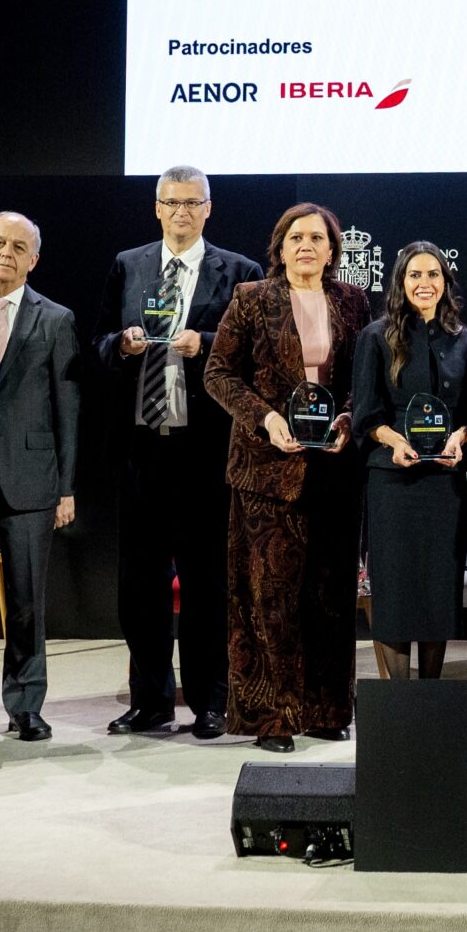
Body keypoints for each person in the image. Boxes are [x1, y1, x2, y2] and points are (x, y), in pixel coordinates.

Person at [98, 166, 261, 739]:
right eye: (172, 203)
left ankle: (211, 701)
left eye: (193, 203)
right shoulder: (129, 265)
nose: (182, 212)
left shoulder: (240, 272)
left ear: (209, 208)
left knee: (207, 584)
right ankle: (150, 701)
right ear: (157, 207)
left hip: (206, 452)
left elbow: (257, 356)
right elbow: (97, 343)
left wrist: (207, 342)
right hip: (144, 449)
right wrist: (121, 344)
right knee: (140, 586)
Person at [205, 204, 372, 753]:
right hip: (266, 471)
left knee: (331, 594)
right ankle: (272, 718)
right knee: (269, 599)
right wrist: (267, 419)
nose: (306, 246)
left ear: (332, 250)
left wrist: (348, 417)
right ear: (280, 247)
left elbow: (362, 378)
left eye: (317, 238)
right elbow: (218, 374)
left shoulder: (352, 300)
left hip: (334, 470)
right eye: (296, 237)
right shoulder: (252, 298)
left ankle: (327, 709)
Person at [0, 212, 81, 742]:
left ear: (33, 259)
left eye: (18, 247)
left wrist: (66, 487)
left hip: (32, 480)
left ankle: (26, 705)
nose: (6, 253)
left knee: (27, 601)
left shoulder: (55, 319)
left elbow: (68, 408)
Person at [352, 242, 467, 680]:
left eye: (433, 275)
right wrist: (392, 440)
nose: (425, 283)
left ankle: (430, 695)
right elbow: (365, 414)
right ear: (400, 282)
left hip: (444, 483)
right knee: (396, 590)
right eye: (415, 275)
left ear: (446, 282)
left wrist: (460, 437)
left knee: (438, 589)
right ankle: (398, 698)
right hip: (393, 481)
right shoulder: (375, 336)